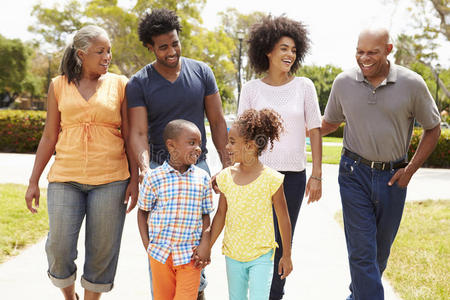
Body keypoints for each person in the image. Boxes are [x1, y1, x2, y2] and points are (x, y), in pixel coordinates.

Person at [321, 28, 441, 300]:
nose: (364, 58)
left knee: (378, 255)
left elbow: (432, 129)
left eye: (372, 52)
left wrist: (409, 171)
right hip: (353, 173)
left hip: (393, 178)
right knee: (362, 253)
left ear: (388, 49)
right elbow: (329, 122)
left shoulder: (412, 84)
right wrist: (291, 127)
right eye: (359, 51)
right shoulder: (343, 83)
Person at [24, 25, 138, 300]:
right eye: (100, 51)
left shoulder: (120, 84)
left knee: (102, 252)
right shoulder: (58, 85)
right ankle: (69, 296)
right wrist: (33, 181)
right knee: (59, 248)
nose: (107, 56)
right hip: (66, 177)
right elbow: (49, 135)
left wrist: (135, 178)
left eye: (109, 50)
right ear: (81, 54)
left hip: (111, 179)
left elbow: (129, 132)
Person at [126, 8, 229, 299]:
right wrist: (146, 169)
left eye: (175, 43)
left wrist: (228, 167)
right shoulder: (139, 83)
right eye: (163, 47)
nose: (172, 51)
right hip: (160, 164)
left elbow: (218, 122)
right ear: (150, 47)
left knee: (196, 241)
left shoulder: (202, 72)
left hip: (199, 165)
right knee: (163, 244)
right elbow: (138, 133)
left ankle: (195, 292)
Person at [238, 15, 322, 300]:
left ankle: (274, 295)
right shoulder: (251, 90)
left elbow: (315, 130)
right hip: (258, 177)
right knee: (255, 244)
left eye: (294, 50)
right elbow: (242, 135)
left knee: (282, 243)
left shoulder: (305, 87)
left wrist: (317, 174)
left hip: (293, 180)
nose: (289, 54)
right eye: (284, 48)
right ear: (268, 51)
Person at [209, 108, 293, 300]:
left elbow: (284, 219)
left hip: (261, 256)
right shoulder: (225, 177)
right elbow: (221, 214)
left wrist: (286, 255)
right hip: (233, 254)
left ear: (250, 146)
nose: (227, 147)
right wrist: (208, 245)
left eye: (232, 142)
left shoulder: (271, 179)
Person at [137, 119, 213, 300]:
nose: (198, 148)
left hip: (189, 256)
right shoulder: (154, 178)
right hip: (160, 255)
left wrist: (205, 244)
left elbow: (206, 215)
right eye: (191, 142)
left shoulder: (202, 178)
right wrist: (148, 246)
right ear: (171, 146)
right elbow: (142, 212)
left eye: (199, 144)